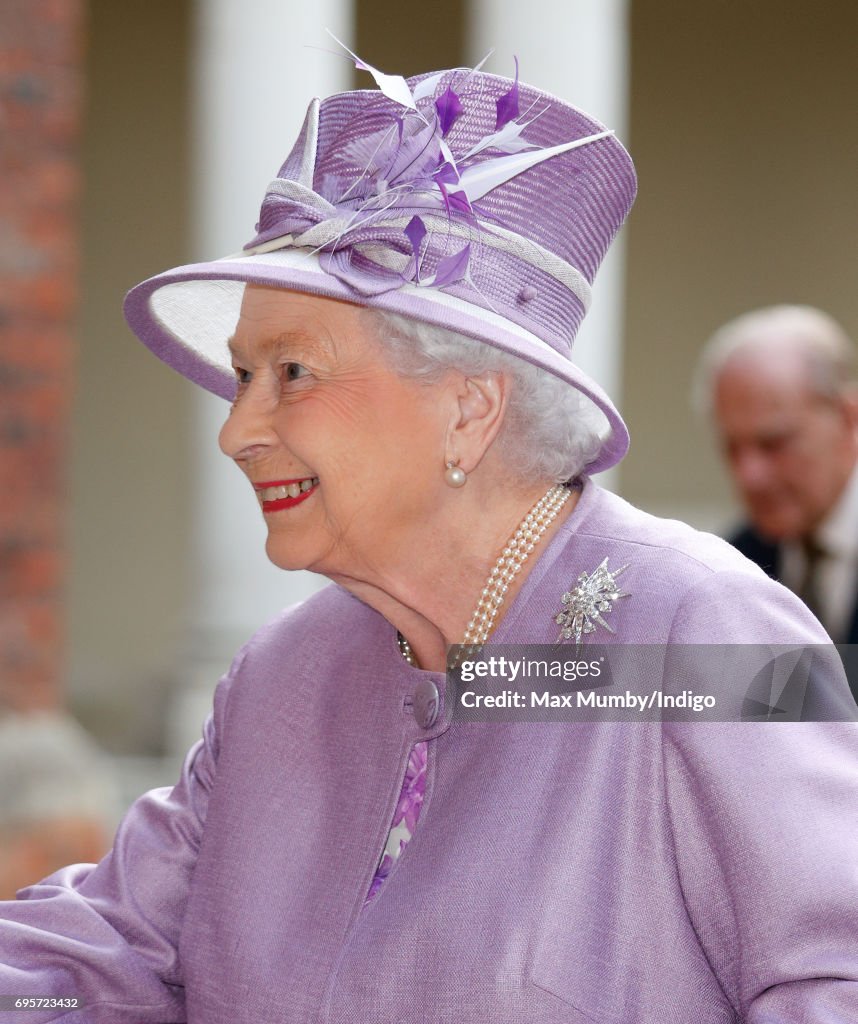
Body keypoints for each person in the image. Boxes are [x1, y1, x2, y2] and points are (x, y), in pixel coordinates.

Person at [2, 55, 858, 1024]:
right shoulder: (287, 674)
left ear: (468, 409)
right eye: (244, 375)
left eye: (293, 373)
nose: (237, 429)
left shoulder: (702, 633)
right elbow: (106, 959)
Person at [696, 305, 858, 645]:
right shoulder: (734, 564)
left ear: (848, 418)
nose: (749, 476)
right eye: (733, 448)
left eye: (774, 444)